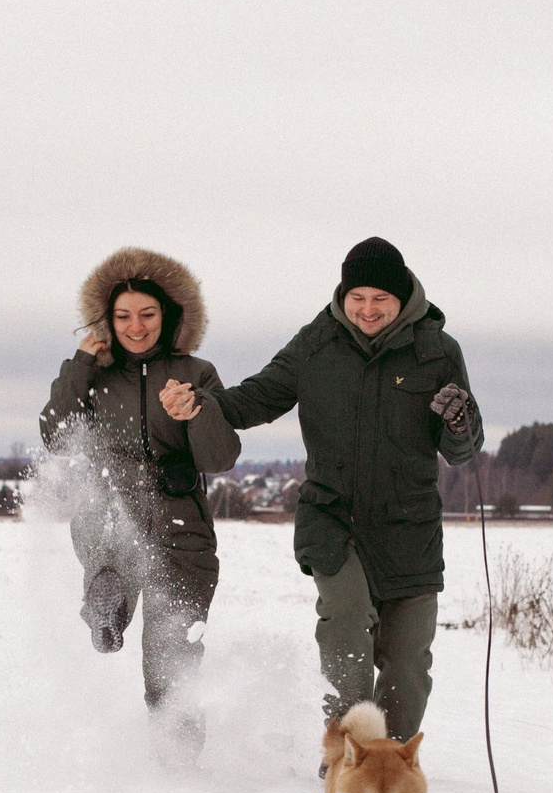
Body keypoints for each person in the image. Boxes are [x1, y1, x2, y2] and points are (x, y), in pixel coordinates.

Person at [163, 236, 480, 745]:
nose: (368, 309)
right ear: (343, 294)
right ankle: (349, 752)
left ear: (402, 299)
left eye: (381, 299)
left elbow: (460, 448)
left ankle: (389, 761)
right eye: (358, 297)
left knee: (408, 665)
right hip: (333, 520)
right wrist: (201, 403)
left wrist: (462, 422)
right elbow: (257, 397)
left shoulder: (437, 352)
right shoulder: (317, 344)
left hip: (410, 527)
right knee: (346, 625)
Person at [40, 248, 241, 759]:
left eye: (148, 315)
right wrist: (84, 361)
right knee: (109, 537)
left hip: (182, 524)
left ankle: (177, 763)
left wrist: (196, 413)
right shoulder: (92, 374)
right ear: (106, 321)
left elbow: (221, 457)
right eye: (124, 316)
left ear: (168, 316)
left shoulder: (196, 370)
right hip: (115, 511)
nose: (136, 326)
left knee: (173, 659)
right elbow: (54, 433)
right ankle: (108, 596)